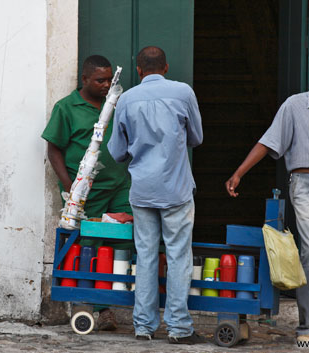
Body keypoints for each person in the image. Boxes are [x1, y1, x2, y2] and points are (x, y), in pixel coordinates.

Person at [225, 56, 309, 343]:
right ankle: (307, 327)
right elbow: (268, 142)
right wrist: (239, 173)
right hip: (306, 183)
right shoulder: (293, 106)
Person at [108, 46, 204, 345]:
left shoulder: (126, 99)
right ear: (165, 67)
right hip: (176, 188)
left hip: (143, 191)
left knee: (146, 256)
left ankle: (143, 327)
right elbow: (196, 138)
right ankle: (178, 328)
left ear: (138, 70)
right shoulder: (183, 93)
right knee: (178, 256)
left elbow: (117, 152)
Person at [42, 55, 132, 331]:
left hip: (120, 184)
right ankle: (97, 308)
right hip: (85, 193)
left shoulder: (117, 104)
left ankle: (119, 299)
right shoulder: (67, 107)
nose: (106, 85)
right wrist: (70, 187)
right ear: (84, 80)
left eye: (109, 80)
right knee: (89, 244)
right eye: (99, 80)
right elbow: (53, 148)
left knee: (123, 238)